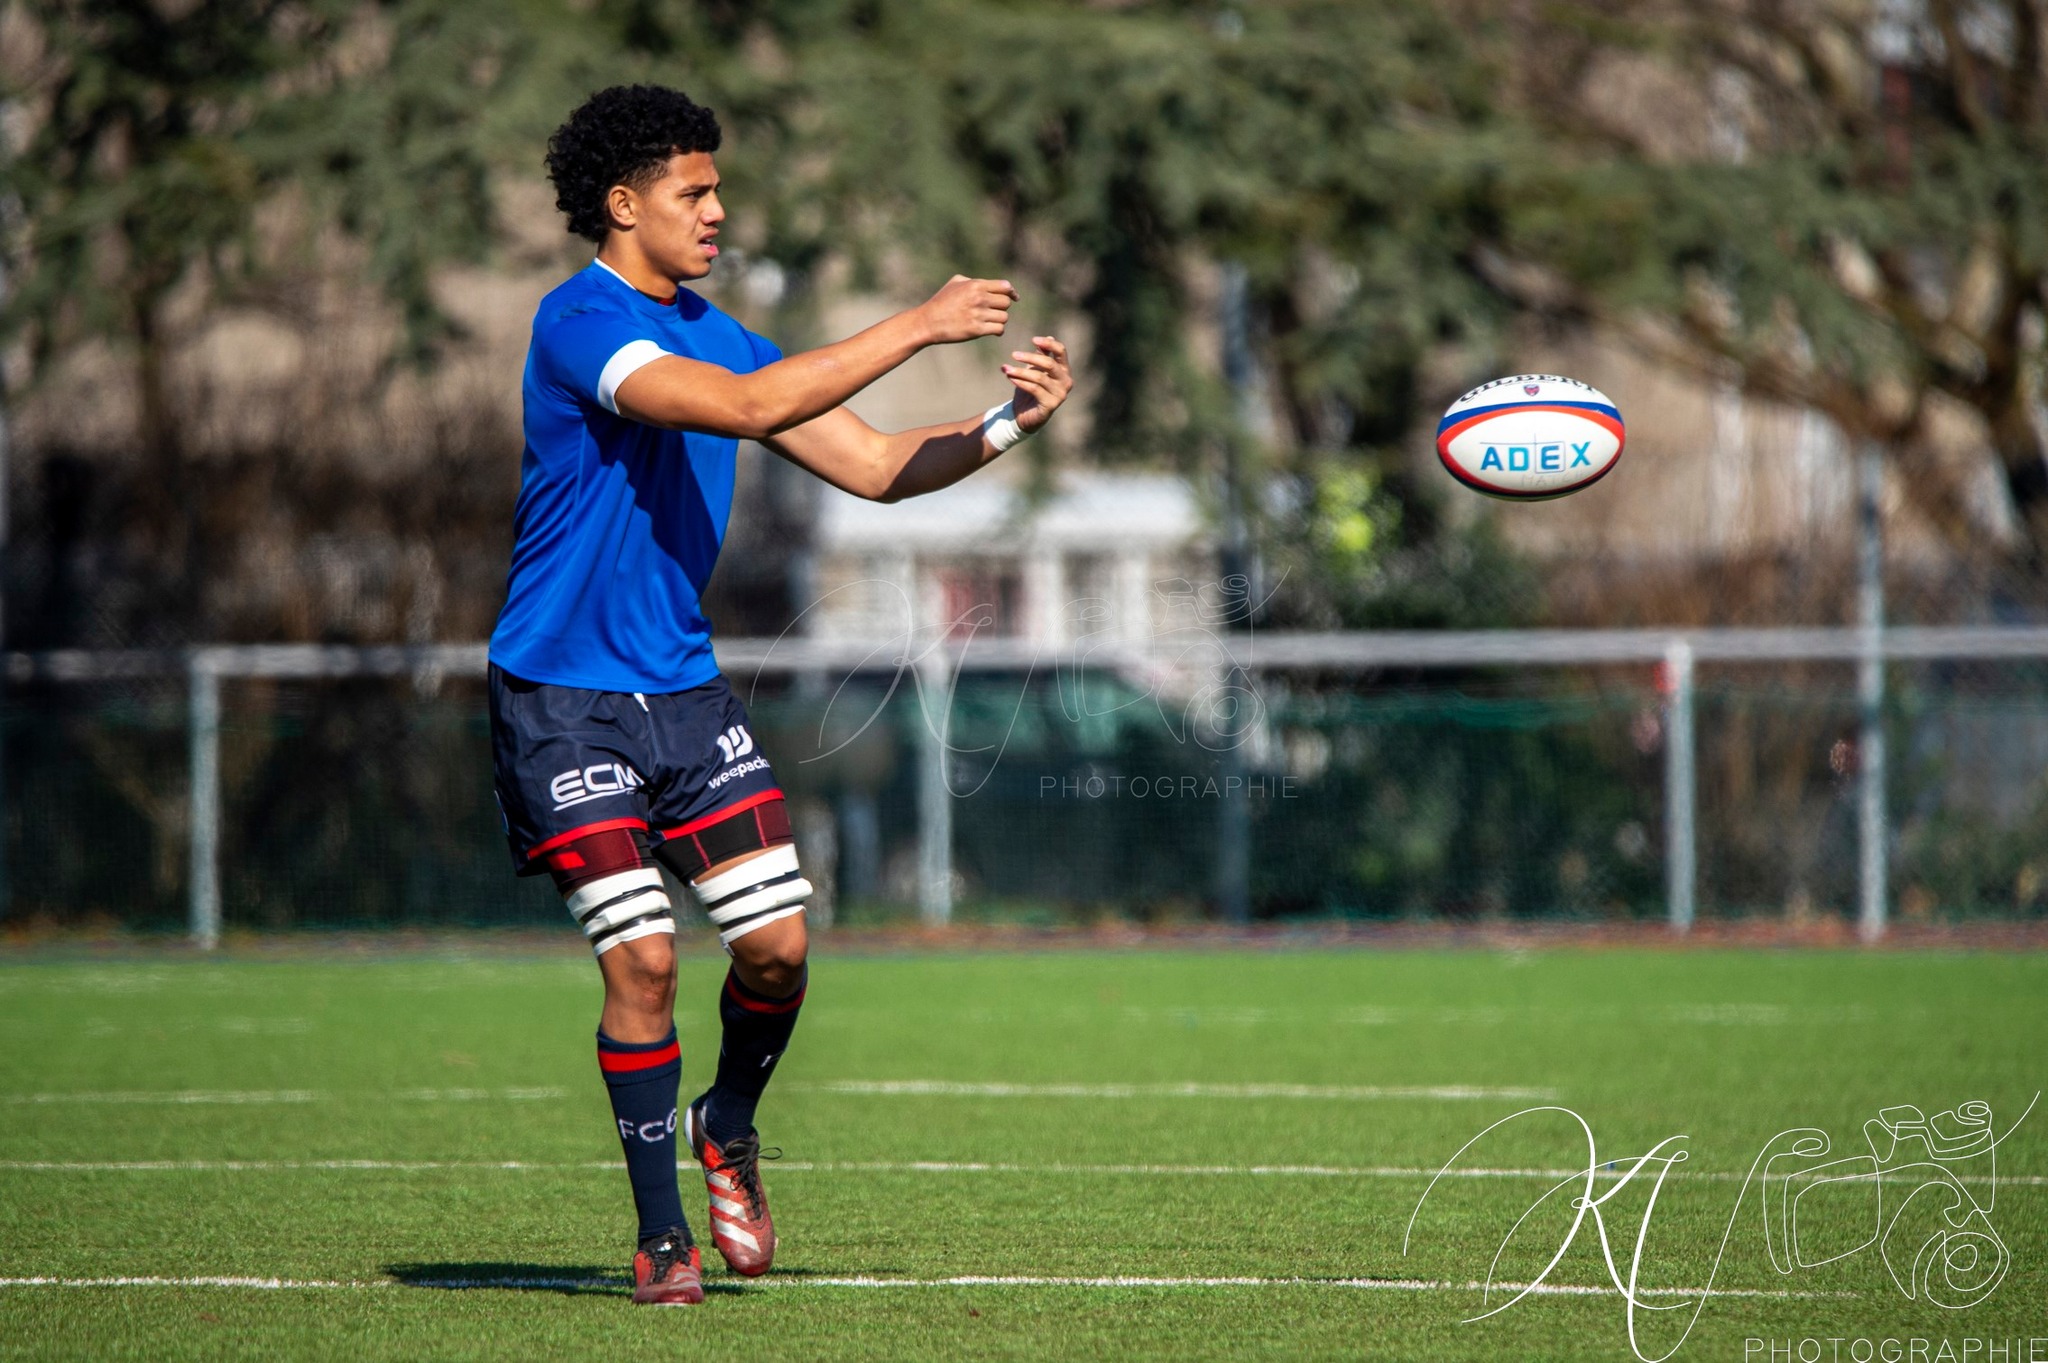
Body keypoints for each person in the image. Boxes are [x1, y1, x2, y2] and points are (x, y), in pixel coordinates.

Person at [486, 84, 1073, 1305]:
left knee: (778, 948)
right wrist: (915, 324)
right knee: (642, 961)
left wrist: (1004, 424)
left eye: (716, 188)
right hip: (561, 696)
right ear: (622, 202)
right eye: (693, 192)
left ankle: (728, 1124)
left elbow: (871, 470)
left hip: (685, 695)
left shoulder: (721, 330)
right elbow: (751, 410)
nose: (715, 210)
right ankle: (661, 1242)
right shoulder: (578, 325)